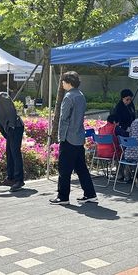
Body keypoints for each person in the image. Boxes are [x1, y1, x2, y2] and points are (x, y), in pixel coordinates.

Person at [50, 71, 97, 205]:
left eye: (63, 81)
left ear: (69, 82)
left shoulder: (68, 97)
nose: (62, 84)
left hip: (68, 137)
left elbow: (64, 119)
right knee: (81, 167)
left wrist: (60, 137)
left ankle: (63, 196)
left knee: (64, 169)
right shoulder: (81, 95)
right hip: (79, 137)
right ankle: (90, 193)